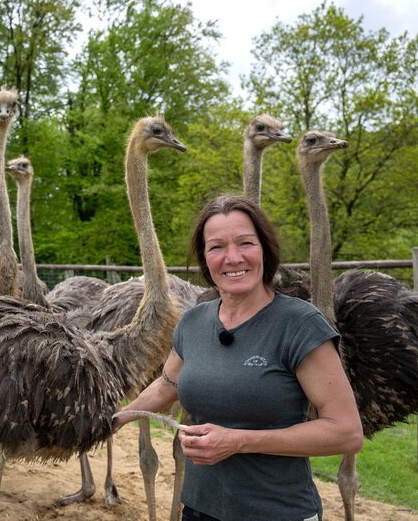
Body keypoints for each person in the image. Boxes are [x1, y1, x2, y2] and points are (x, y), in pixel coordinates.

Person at [114, 194, 363, 521]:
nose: (232, 258)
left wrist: (239, 441)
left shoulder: (298, 324)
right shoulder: (193, 321)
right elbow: (167, 384)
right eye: (216, 247)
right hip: (199, 509)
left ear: (264, 250)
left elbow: (346, 432)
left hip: (277, 512)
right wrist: (116, 419)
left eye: (245, 243)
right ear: (205, 258)